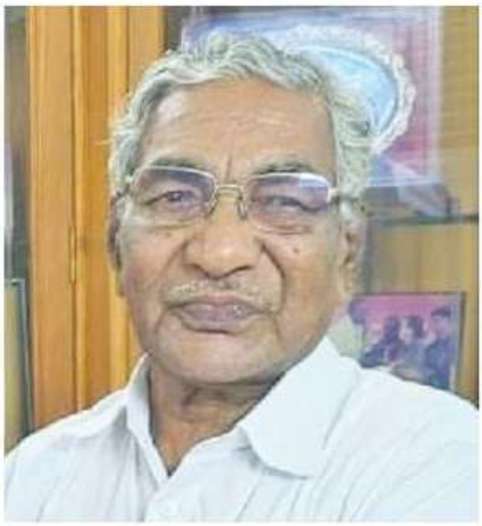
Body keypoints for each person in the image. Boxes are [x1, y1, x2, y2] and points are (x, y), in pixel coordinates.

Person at [5, 31, 477, 521]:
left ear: (347, 255)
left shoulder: (437, 459)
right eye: (175, 197)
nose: (220, 253)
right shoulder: (35, 477)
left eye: (284, 201)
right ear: (115, 246)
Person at [423, 306, 457, 390]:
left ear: (448, 321)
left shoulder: (455, 344)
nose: (434, 325)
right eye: (433, 322)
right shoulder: (431, 347)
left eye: (437, 321)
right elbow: (425, 367)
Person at [391, 315, 427, 382]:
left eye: (405, 327)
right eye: (400, 327)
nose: (401, 330)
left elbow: (417, 373)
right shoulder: (402, 346)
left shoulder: (420, 347)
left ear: (414, 330)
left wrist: (395, 369)